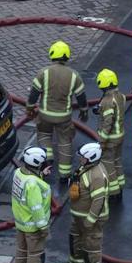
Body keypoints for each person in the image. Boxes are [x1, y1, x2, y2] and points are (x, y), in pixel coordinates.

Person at [27, 41, 89, 183]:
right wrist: (84, 111)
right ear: (67, 56)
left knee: (43, 134)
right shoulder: (74, 76)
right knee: (65, 142)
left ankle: (47, 161)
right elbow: (82, 98)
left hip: (45, 115)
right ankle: (64, 175)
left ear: (52, 54)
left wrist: (29, 108)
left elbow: (34, 95)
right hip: (64, 117)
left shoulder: (44, 73)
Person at [61, 142, 109, 263]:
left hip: (90, 219)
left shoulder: (97, 176)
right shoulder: (86, 167)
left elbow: (98, 201)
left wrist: (91, 220)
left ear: (91, 158)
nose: (80, 159)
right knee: (75, 238)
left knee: (91, 245)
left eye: (82, 157)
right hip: (79, 215)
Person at [12, 146, 54, 263]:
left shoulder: (18, 174)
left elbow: (28, 184)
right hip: (33, 228)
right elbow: (36, 208)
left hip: (21, 224)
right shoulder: (33, 185)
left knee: (22, 253)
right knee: (35, 257)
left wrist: (41, 175)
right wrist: (44, 227)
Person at [95, 69, 127, 201]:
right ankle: (121, 186)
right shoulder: (121, 96)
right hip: (120, 136)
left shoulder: (107, 101)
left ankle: (114, 193)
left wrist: (101, 141)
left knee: (108, 164)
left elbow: (107, 123)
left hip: (110, 139)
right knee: (117, 161)